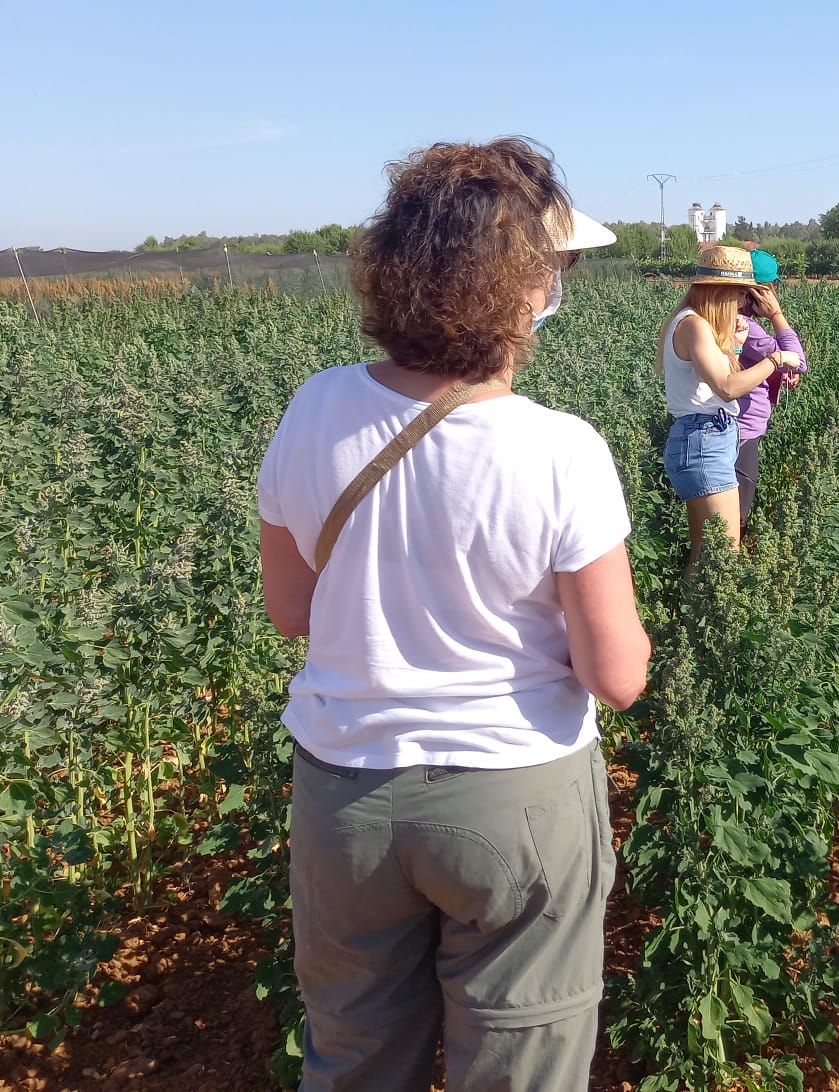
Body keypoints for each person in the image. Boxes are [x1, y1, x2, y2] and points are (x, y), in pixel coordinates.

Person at [256, 137, 650, 1092]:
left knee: (350, 1055)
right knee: (519, 1063)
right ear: (520, 291)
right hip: (511, 794)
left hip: (346, 795)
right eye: (551, 272)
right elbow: (616, 676)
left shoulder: (314, 409)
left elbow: (290, 612)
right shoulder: (561, 450)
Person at [660, 242, 802, 552]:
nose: (742, 300)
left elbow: (711, 381)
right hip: (704, 440)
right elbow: (726, 387)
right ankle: (708, 602)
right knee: (724, 553)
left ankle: (694, 602)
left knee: (706, 553)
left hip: (706, 437)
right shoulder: (694, 325)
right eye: (739, 291)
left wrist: (735, 346)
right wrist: (775, 360)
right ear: (721, 289)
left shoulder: (695, 322)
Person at [732, 248, 807, 533]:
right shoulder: (747, 327)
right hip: (743, 431)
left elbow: (775, 363)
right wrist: (776, 314)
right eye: (769, 288)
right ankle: (728, 570)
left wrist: (778, 370)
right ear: (757, 293)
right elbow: (798, 360)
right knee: (736, 517)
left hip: (741, 428)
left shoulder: (734, 322)